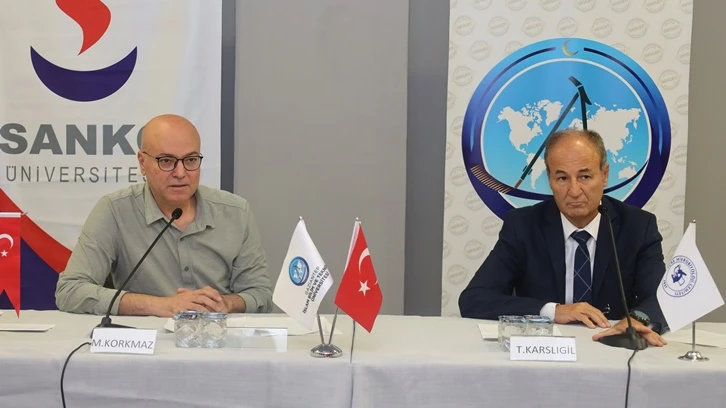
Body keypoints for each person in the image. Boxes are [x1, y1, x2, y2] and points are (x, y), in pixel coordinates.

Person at [459, 128, 667, 346]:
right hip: (545, 351)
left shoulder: (638, 227)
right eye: (562, 178)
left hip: (613, 348)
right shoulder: (523, 226)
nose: (574, 191)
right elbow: (474, 299)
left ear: (604, 175)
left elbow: (661, 299)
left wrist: (636, 320)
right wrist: (553, 311)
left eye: (585, 177)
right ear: (549, 179)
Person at [56, 114, 273, 317]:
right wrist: (161, 305)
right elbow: (70, 291)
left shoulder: (236, 212)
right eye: (166, 161)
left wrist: (227, 304)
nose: (180, 173)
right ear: (142, 163)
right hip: (146, 341)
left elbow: (261, 295)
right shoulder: (115, 211)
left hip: (216, 337)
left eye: (190, 160)